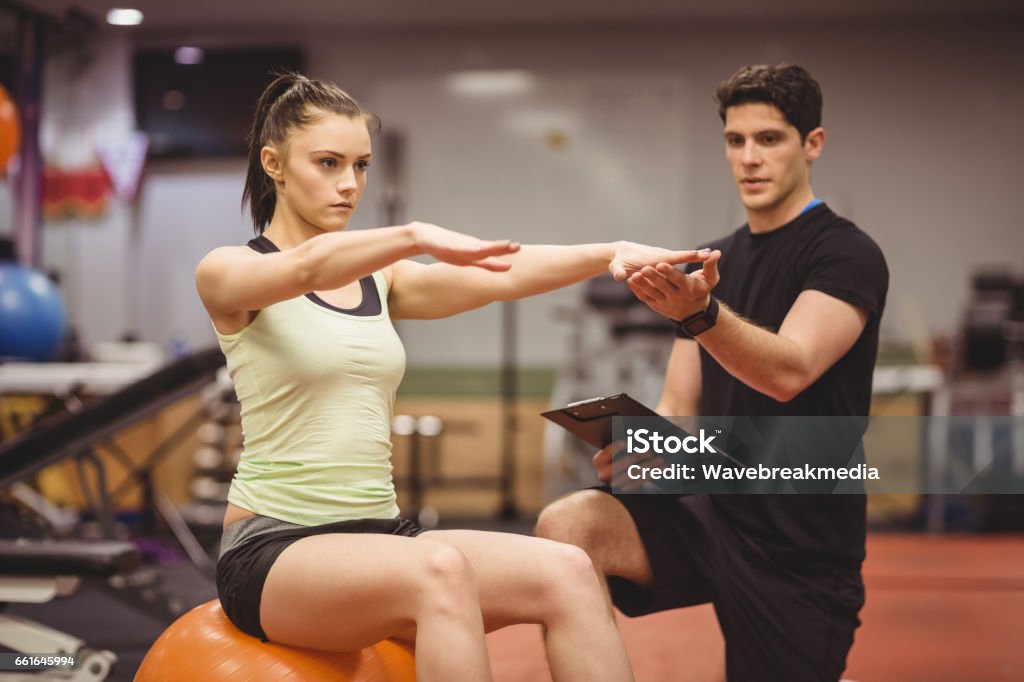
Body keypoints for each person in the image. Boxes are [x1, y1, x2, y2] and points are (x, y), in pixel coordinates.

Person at [195, 71, 711, 682]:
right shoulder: (228, 272)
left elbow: (505, 273)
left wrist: (611, 252)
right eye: (328, 163)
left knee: (567, 570)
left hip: (381, 537)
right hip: (275, 551)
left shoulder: (380, 281)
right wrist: (413, 234)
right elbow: (305, 267)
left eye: (360, 165)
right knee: (439, 571)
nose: (348, 184)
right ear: (274, 164)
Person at [536, 63, 889, 681]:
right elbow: (680, 405)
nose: (749, 158)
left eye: (769, 139)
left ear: (813, 144)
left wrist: (701, 314)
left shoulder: (845, 253)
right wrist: (645, 452)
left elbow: (791, 370)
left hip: (798, 544)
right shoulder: (713, 259)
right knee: (569, 525)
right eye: (735, 141)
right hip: (711, 514)